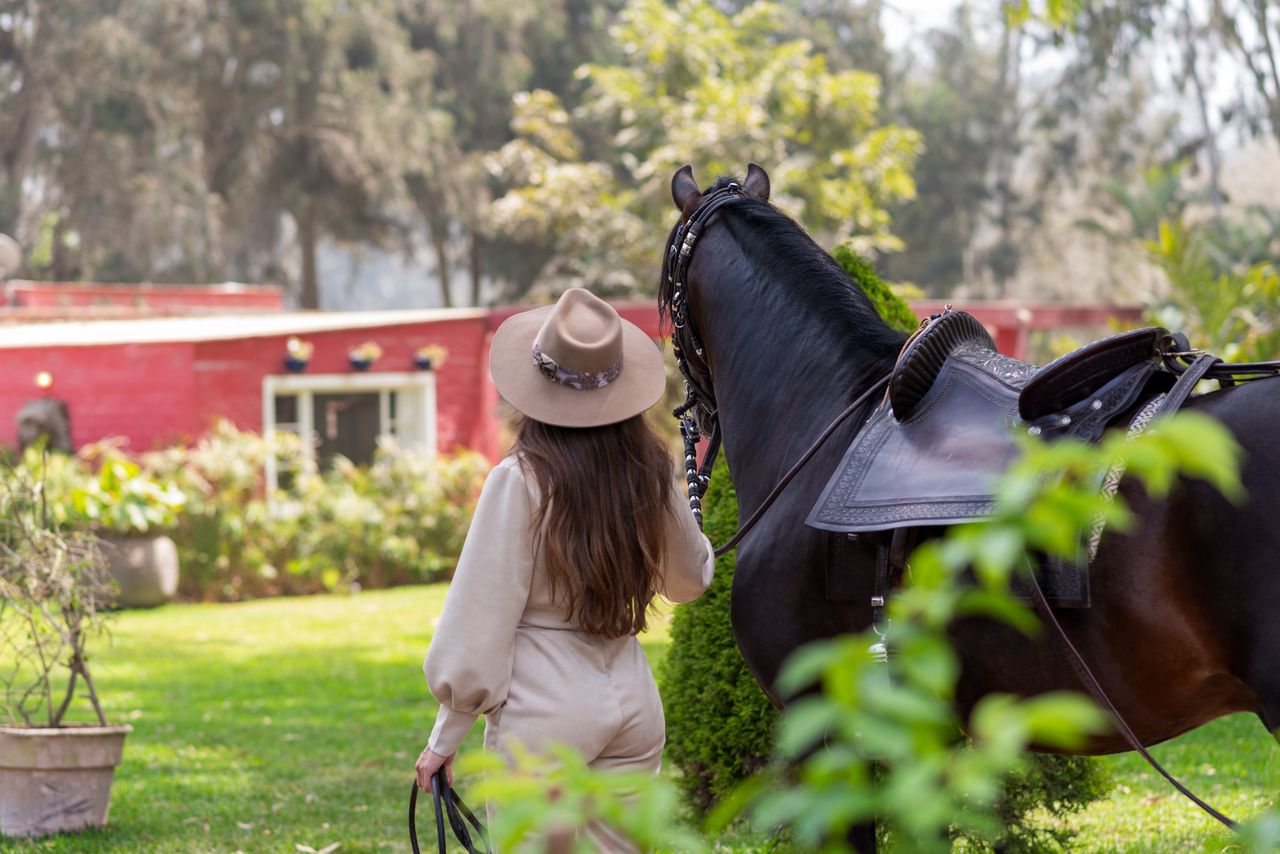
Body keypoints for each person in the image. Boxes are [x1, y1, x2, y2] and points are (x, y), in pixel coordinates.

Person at [414, 288, 714, 848]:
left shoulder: (522, 478)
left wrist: (445, 737)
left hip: (544, 711)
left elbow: (480, 619)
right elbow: (690, 580)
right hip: (633, 701)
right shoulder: (650, 470)